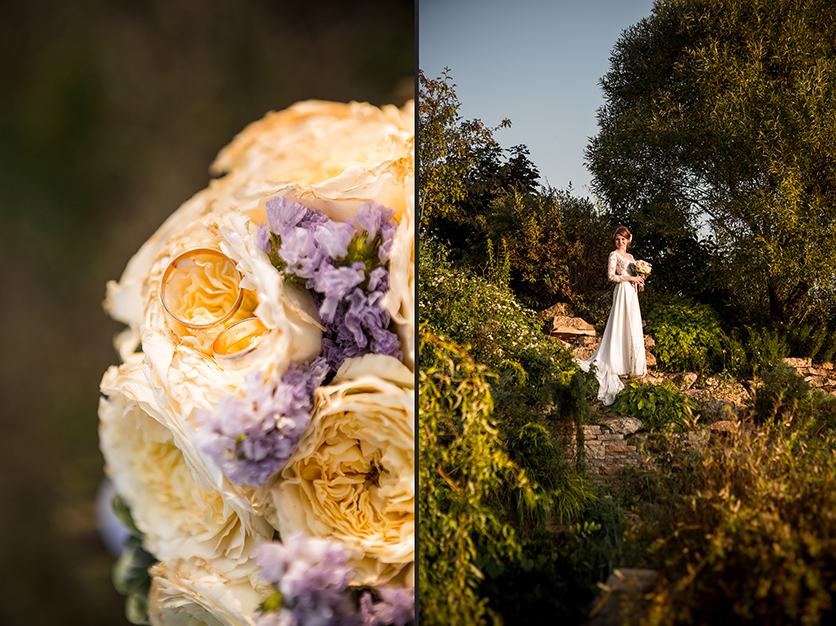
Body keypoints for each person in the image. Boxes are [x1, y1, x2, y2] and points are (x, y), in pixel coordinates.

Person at [577, 226, 647, 405]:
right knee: (619, 324)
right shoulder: (613, 255)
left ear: (628, 240)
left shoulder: (631, 258)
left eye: (623, 239)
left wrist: (639, 280)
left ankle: (630, 363)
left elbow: (634, 275)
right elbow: (611, 276)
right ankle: (613, 361)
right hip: (622, 290)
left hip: (632, 293)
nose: (620, 242)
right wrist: (630, 279)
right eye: (617, 239)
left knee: (631, 324)